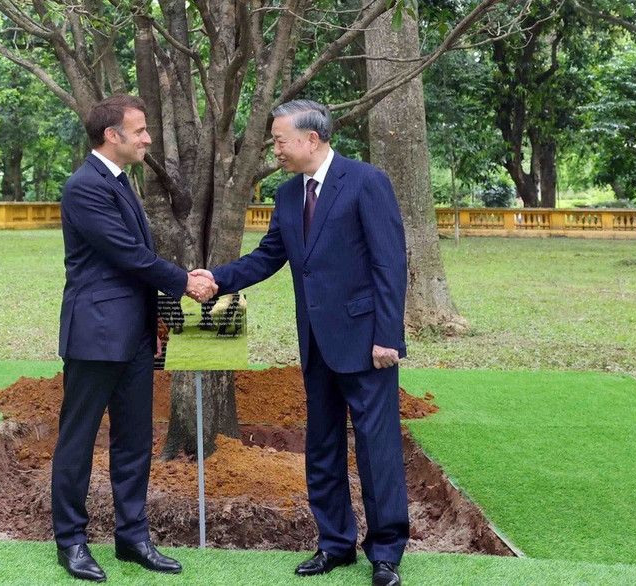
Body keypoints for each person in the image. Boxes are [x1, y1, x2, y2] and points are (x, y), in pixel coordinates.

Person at [193, 99, 409, 586]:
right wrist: (217, 280)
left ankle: (387, 552)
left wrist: (387, 336)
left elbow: (390, 265)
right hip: (316, 343)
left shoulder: (367, 181)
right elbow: (269, 256)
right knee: (323, 446)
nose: (275, 149)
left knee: (377, 449)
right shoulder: (289, 195)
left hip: (367, 342)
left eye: (279, 140)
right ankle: (334, 545)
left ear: (312, 138)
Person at [54, 94, 216, 582]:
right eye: (140, 130)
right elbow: (127, 254)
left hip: (136, 337)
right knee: (78, 441)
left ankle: (133, 539)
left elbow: (134, 259)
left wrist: (160, 318)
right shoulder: (85, 187)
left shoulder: (121, 182)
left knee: (135, 441)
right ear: (112, 135)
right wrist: (184, 281)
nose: (148, 138)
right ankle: (71, 543)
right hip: (96, 335)